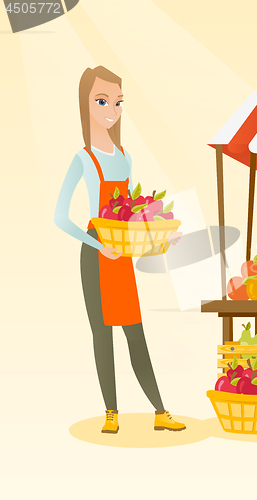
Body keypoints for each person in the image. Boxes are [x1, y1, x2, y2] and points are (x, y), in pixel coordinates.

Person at [54, 66, 185, 434]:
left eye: (118, 101)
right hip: (96, 254)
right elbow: (60, 218)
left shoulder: (125, 156)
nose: (111, 109)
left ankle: (160, 411)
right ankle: (111, 413)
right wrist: (99, 246)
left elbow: (128, 214)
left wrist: (158, 238)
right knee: (102, 333)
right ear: (86, 104)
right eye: (102, 100)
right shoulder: (83, 158)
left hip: (121, 252)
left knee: (135, 331)